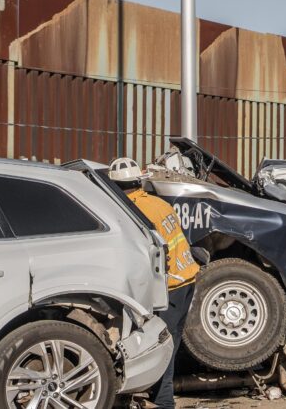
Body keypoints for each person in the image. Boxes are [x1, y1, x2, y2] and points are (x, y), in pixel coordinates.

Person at [109, 157, 200, 409]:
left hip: (169, 287)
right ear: (139, 180)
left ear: (114, 187)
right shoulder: (159, 204)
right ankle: (159, 395)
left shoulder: (132, 212)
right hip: (187, 279)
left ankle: (163, 401)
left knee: (163, 345)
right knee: (172, 342)